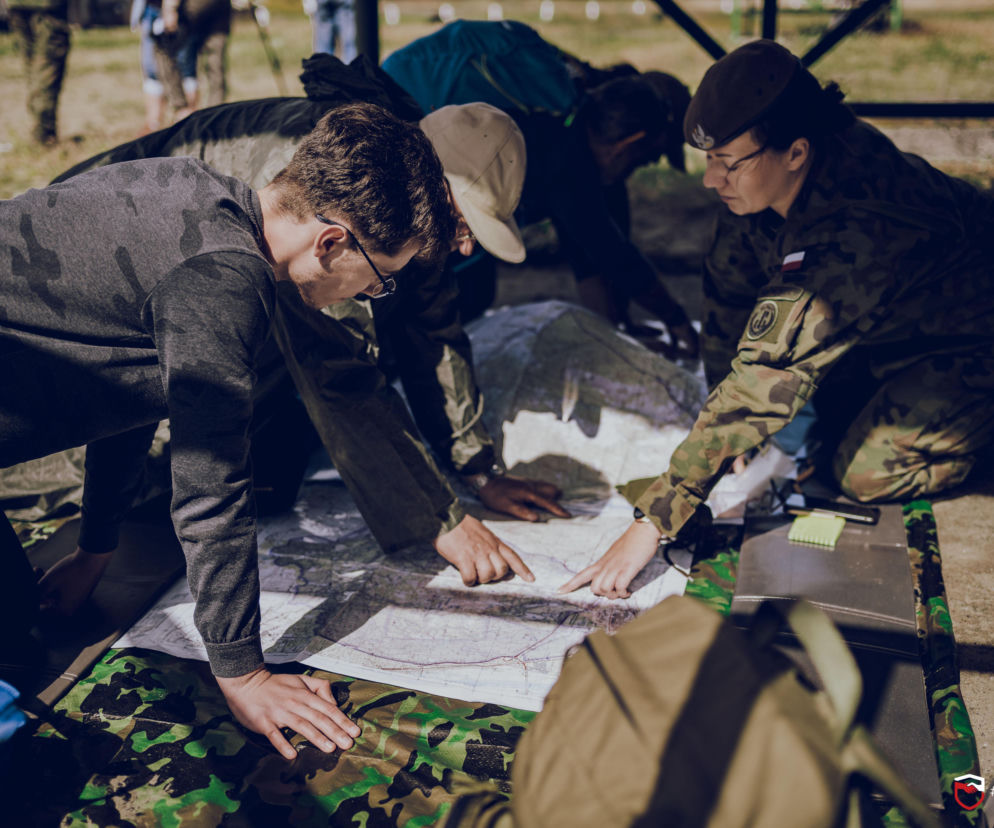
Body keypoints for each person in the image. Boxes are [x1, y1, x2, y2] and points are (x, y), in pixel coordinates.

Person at [1, 102, 454, 758]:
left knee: (17, 621)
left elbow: (126, 390)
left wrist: (96, 549)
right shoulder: (224, 278)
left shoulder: (194, 189)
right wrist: (242, 670)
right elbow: (211, 485)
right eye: (379, 281)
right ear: (332, 242)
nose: (367, 297)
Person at [51, 55, 569, 589]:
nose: (464, 245)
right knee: (136, 453)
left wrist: (477, 467)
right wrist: (442, 518)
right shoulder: (351, 191)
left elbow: (432, 330)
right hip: (82, 279)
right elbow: (336, 370)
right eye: (465, 224)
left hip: (199, 280)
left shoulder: (415, 198)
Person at [561, 39, 994, 598]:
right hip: (894, 331)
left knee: (862, 472)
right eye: (709, 160)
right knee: (785, 430)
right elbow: (726, 297)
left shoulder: (859, 225)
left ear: (795, 152)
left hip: (966, 342)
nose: (711, 181)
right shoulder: (764, 184)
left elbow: (768, 374)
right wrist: (729, 433)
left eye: (727, 163)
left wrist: (657, 517)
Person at [382, 20, 698, 359]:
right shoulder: (568, 150)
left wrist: (618, 336)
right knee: (454, 293)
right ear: (630, 144)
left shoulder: (574, 113)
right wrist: (676, 320)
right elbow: (607, 248)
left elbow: (588, 252)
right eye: (645, 160)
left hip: (422, 130)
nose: (635, 172)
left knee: (465, 284)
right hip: (414, 148)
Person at [7, 0, 70, 145]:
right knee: (47, 65)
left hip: (16, 4)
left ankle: (39, 127)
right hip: (46, 7)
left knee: (32, 65)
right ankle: (43, 133)